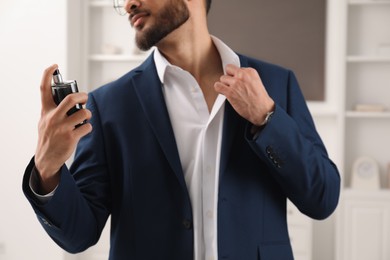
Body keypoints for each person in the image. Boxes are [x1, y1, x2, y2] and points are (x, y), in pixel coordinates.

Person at [22, 0, 341, 259]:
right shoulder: (109, 104)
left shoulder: (275, 85)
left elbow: (322, 199)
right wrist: (47, 168)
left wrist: (267, 118)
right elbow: (79, 234)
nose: (129, 4)